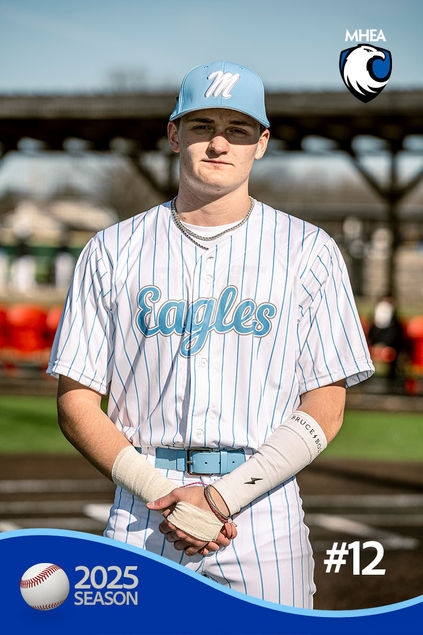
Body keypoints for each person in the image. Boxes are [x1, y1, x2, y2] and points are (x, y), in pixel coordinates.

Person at [47, 61, 374, 608]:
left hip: (260, 507)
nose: (219, 143)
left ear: (261, 143)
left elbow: (327, 405)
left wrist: (219, 499)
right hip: (144, 506)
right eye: (202, 126)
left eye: (238, 130)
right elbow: (76, 403)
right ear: (175, 134)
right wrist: (164, 496)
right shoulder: (110, 250)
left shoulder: (309, 251)